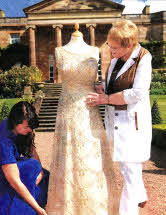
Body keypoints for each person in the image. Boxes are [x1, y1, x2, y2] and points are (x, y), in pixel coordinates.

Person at [46, 24, 119, 215]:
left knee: (91, 153)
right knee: (69, 154)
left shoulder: (95, 50)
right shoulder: (59, 51)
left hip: (89, 107)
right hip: (68, 110)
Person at [86, 19, 152, 215]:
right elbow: (113, 84)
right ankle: (140, 196)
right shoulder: (116, 59)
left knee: (130, 171)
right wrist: (102, 88)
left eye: (114, 47)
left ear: (128, 45)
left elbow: (136, 93)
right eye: (109, 45)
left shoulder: (144, 58)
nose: (110, 50)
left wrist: (105, 98)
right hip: (115, 122)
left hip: (133, 123)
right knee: (126, 166)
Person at [0, 101, 48, 215]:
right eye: (27, 127)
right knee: (31, 168)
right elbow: (14, 181)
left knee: (44, 175)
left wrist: (40, 173)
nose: (30, 130)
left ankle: (24, 206)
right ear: (16, 123)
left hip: (1, 169)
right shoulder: (2, 139)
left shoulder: (22, 130)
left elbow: (33, 154)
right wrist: (38, 209)